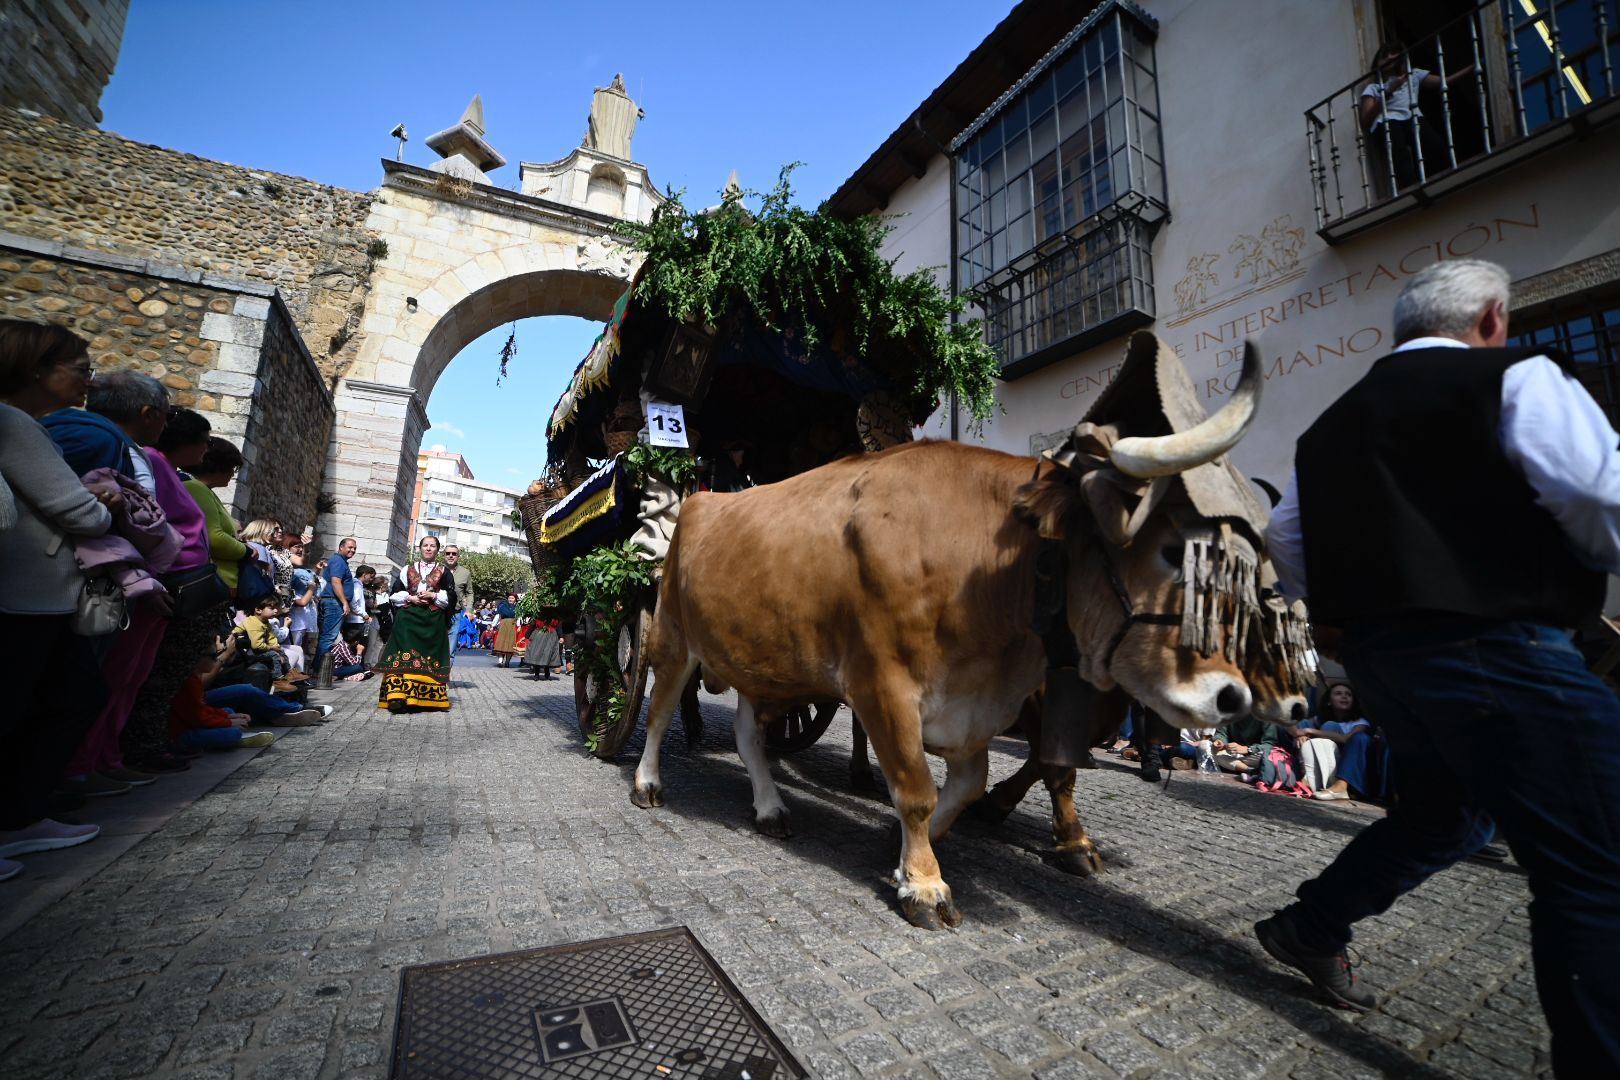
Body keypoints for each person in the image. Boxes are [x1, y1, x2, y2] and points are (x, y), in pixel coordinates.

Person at [1260, 259, 1620, 1073]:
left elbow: (1284, 539)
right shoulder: (1517, 375)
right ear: (1493, 317)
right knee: (1601, 864)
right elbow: (1602, 498)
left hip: (1384, 661)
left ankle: (1311, 928)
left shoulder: (1326, 430)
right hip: (1498, 644)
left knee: (1445, 817)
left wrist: (1348, 613)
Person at [0, 320, 115, 880]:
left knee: (59, 695)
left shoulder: (26, 424)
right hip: (29, 592)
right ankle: (18, 815)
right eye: (78, 366)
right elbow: (79, 512)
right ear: (36, 369)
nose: (87, 378)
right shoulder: (15, 424)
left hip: (32, 591)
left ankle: (23, 815)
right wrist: (104, 502)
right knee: (45, 699)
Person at [1359, 40, 1474, 193]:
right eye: (1384, 56)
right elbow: (1366, 117)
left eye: (1393, 53)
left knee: (1435, 148)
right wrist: (1388, 91)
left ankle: (1442, 183)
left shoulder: (1413, 74)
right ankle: (1412, 190)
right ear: (1377, 62)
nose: (1389, 58)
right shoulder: (1373, 88)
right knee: (1401, 156)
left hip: (1413, 117)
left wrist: (1474, 67)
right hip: (1387, 121)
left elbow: (1443, 82)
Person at [374, 535, 458, 711]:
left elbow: (451, 597)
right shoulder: (407, 569)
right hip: (408, 619)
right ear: (420, 548)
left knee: (427, 659)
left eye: (432, 546)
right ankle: (396, 696)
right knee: (401, 654)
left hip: (432, 621)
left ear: (437, 550)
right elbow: (396, 593)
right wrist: (411, 597)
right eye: (425, 545)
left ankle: (420, 699)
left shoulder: (444, 571)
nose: (428, 548)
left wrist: (433, 595)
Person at [183, 437, 248, 602]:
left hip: (220, 584)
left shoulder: (206, 491)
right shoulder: (197, 488)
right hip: (211, 583)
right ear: (219, 466)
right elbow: (214, 538)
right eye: (231, 468)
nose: (233, 474)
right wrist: (247, 551)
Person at [1292, 683, 1377, 801]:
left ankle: (1339, 785)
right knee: (1303, 724)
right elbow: (1296, 729)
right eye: (1338, 693)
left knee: (1330, 726)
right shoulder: (1319, 720)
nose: (1344, 696)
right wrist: (1300, 736)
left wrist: (1309, 731)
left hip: (1350, 765)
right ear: (1329, 701)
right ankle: (1306, 775)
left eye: (1348, 694)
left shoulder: (1360, 722)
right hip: (1325, 759)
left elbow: (1345, 739)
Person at [316, 537, 357, 681]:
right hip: (334, 603)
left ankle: (320, 669)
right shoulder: (339, 561)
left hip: (332, 602)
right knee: (328, 637)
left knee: (325, 636)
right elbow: (335, 582)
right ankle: (321, 671)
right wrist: (344, 603)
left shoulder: (339, 561)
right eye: (349, 547)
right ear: (341, 547)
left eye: (354, 548)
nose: (352, 550)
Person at [491, 592, 519, 667]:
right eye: (509, 598)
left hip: (512, 625)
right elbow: (498, 616)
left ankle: (507, 662)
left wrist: (519, 626)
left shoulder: (518, 607)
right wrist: (495, 625)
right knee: (501, 643)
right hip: (504, 624)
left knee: (510, 644)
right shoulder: (503, 606)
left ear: (515, 599)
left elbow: (519, 617)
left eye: (512, 598)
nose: (510, 599)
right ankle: (500, 661)